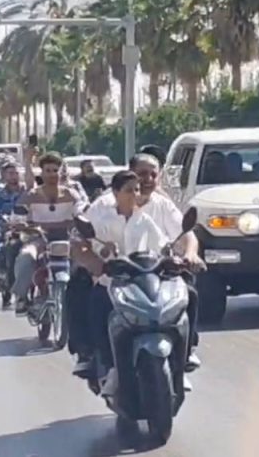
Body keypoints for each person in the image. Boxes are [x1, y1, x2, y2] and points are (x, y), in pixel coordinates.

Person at [69, 153, 203, 376]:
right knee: (88, 295)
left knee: (189, 292)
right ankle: (91, 355)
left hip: (155, 277)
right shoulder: (103, 207)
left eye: (153, 175)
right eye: (141, 175)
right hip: (116, 278)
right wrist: (95, 263)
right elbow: (82, 242)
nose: (147, 180)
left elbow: (182, 235)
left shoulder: (159, 207)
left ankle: (185, 352)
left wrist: (189, 256)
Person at [12, 151, 86, 315]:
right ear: (42, 173)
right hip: (39, 239)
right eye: (48, 171)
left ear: (61, 172)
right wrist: (21, 224)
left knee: (84, 260)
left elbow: (81, 214)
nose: (52, 174)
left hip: (67, 240)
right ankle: (21, 297)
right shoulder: (31, 196)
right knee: (26, 257)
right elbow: (18, 217)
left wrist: (81, 222)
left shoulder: (71, 194)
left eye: (55, 170)